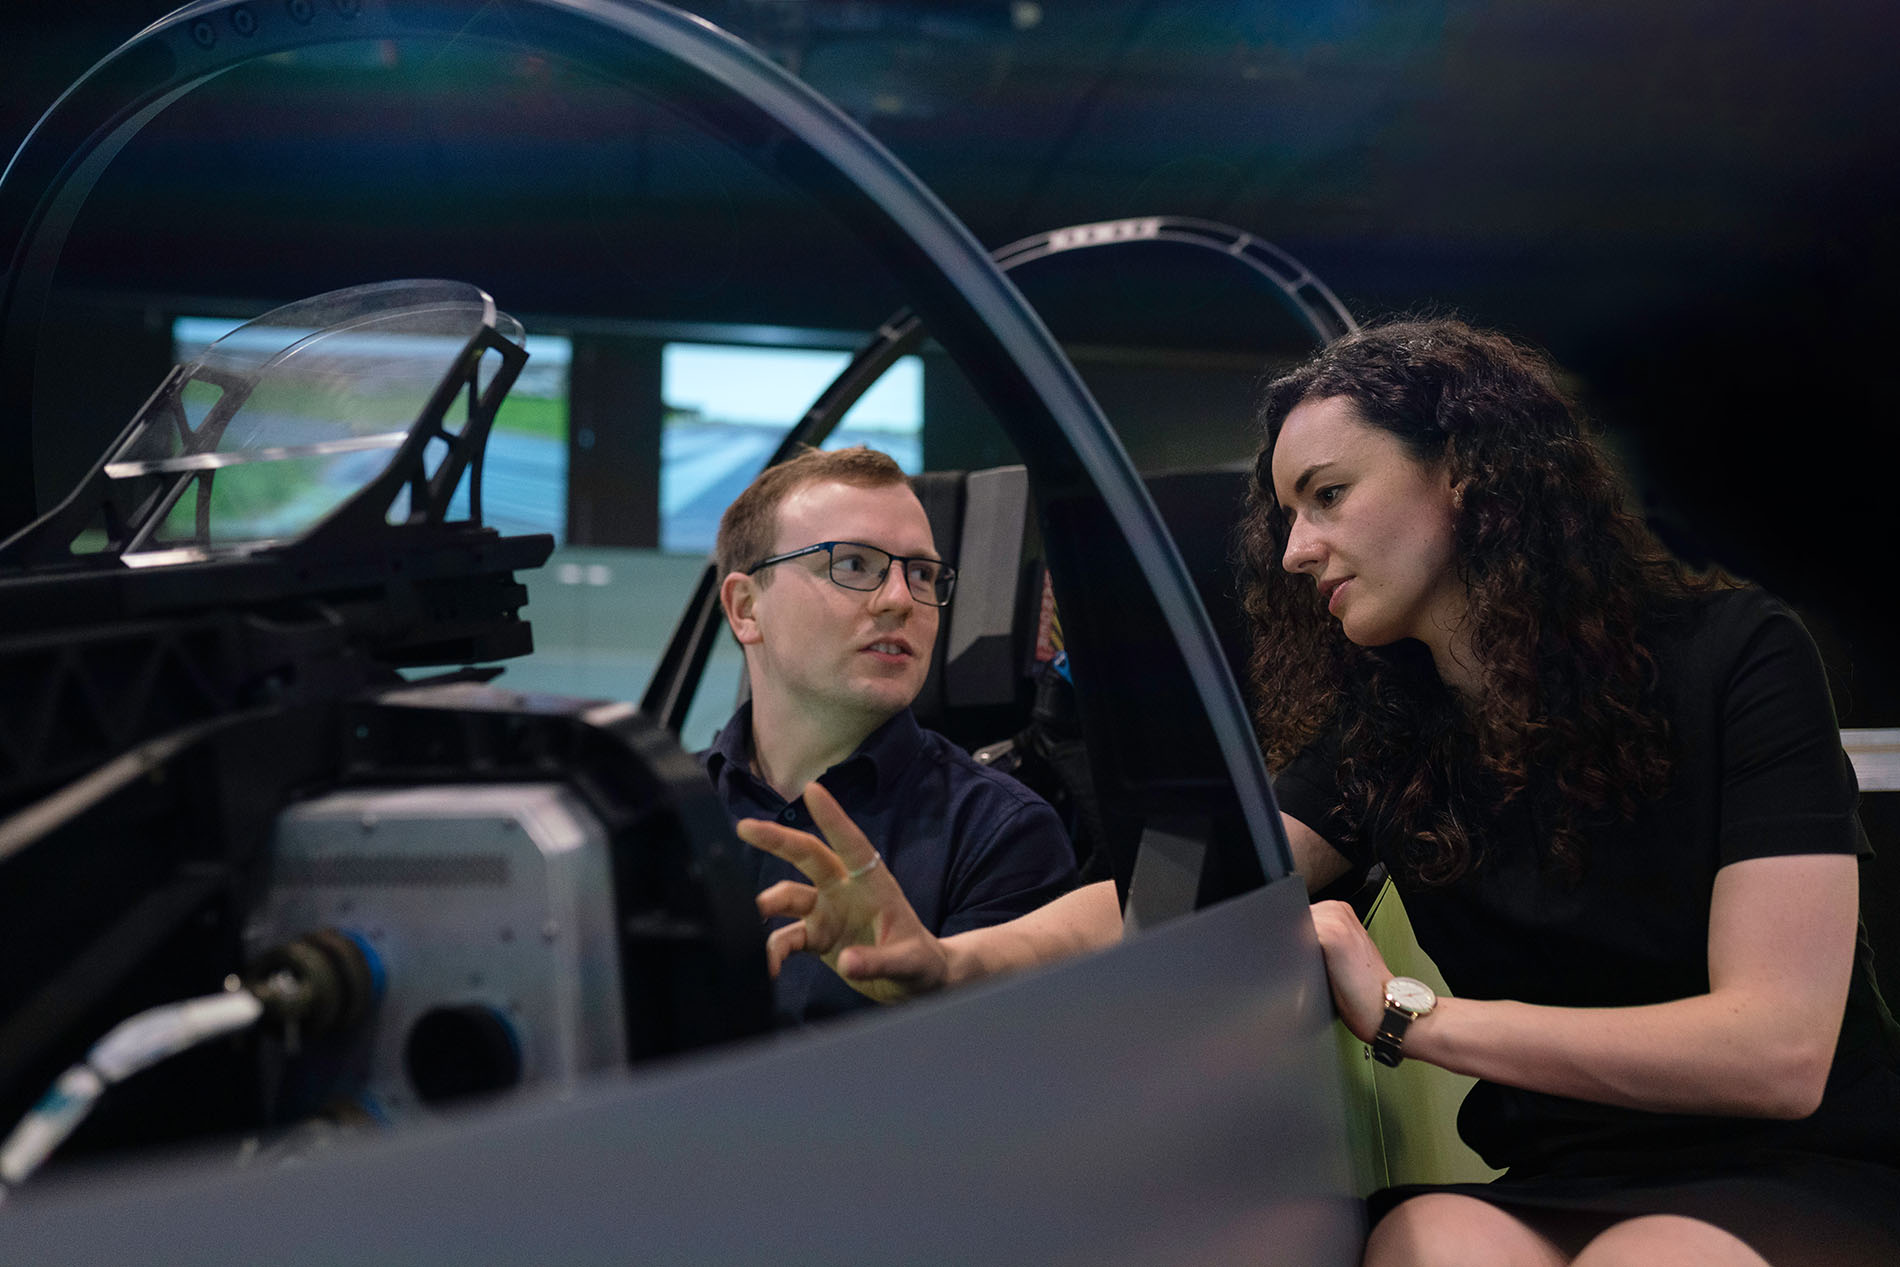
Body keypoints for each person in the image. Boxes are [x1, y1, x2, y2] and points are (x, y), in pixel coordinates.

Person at [740, 321, 1900, 1264]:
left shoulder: (1733, 654)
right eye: (1289, 512)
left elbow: (1776, 1053)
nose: (1296, 549)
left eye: (1329, 495)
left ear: (1466, 476)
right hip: (1562, 1176)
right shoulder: (1389, 728)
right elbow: (1160, 899)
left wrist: (1410, 1017)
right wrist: (953, 962)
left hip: (1786, 1164)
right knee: (1427, 1239)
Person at [705, 444, 1077, 1026]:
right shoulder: (656, 812)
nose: (903, 600)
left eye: (923, 573)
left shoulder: (1002, 833)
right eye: (852, 564)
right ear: (746, 608)